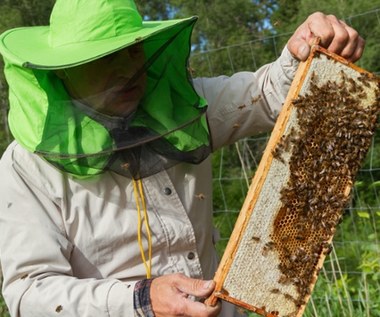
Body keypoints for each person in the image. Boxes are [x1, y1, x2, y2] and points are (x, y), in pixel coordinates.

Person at [0, 0, 364, 316]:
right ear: (64, 69)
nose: (128, 69)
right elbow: (29, 292)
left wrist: (300, 50)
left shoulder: (184, 106)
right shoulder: (26, 167)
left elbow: (267, 94)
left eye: (133, 49)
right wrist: (139, 301)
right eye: (107, 57)